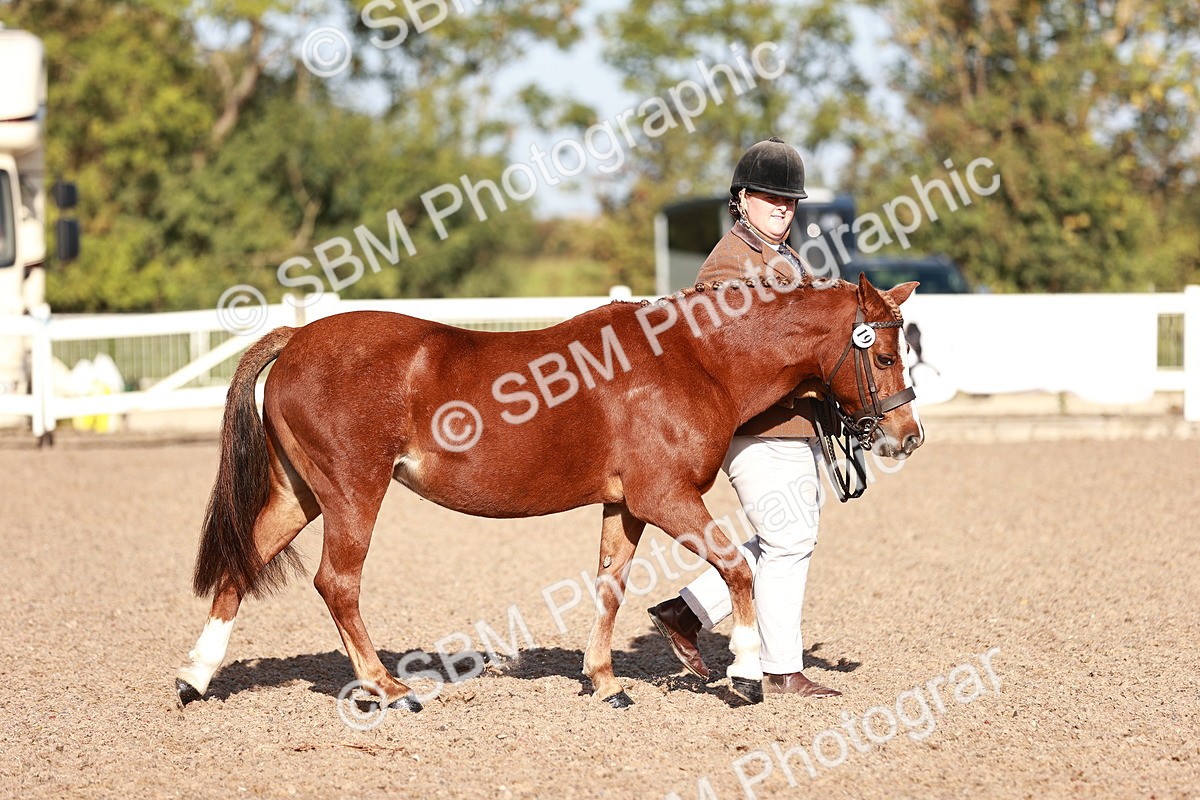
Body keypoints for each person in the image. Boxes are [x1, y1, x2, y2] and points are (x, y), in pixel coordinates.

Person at [647, 136, 840, 698]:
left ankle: (686, 613)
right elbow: (741, 355)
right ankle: (781, 668)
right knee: (789, 538)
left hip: (794, 422)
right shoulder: (728, 266)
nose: (783, 207)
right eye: (769, 196)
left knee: (785, 537)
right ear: (742, 200)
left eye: (790, 199)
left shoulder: (788, 261)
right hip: (757, 426)